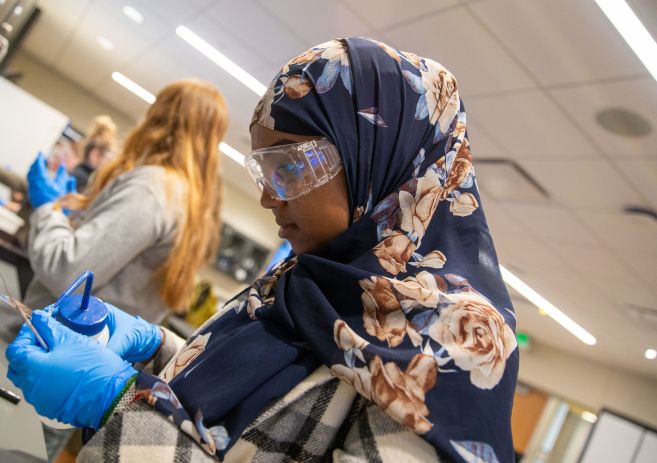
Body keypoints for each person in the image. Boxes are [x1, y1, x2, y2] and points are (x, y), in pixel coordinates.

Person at [7, 38, 518, 462]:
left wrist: (121, 400)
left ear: (375, 160)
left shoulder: (461, 346)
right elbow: (252, 401)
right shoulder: (312, 275)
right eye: (265, 170)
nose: (268, 195)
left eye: (289, 167)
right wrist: (159, 350)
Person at [23, 79, 228, 323]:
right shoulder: (190, 201)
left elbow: (68, 275)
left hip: (54, 339)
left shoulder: (151, 188)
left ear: (159, 119)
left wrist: (47, 209)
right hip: (92, 350)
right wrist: (71, 222)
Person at [70, 115, 117, 191]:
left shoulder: (78, 173)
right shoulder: (82, 178)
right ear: (95, 155)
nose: (109, 162)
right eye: (106, 157)